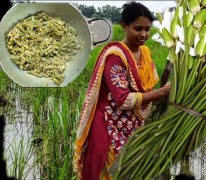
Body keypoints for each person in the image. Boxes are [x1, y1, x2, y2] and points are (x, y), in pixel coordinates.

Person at [73, 1, 171, 180]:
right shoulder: (115, 56)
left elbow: (150, 88)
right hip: (109, 124)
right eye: (138, 28)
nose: (143, 34)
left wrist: (168, 74)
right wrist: (163, 92)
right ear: (124, 26)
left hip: (132, 125)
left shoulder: (146, 52)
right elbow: (123, 100)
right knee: (107, 172)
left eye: (147, 29)